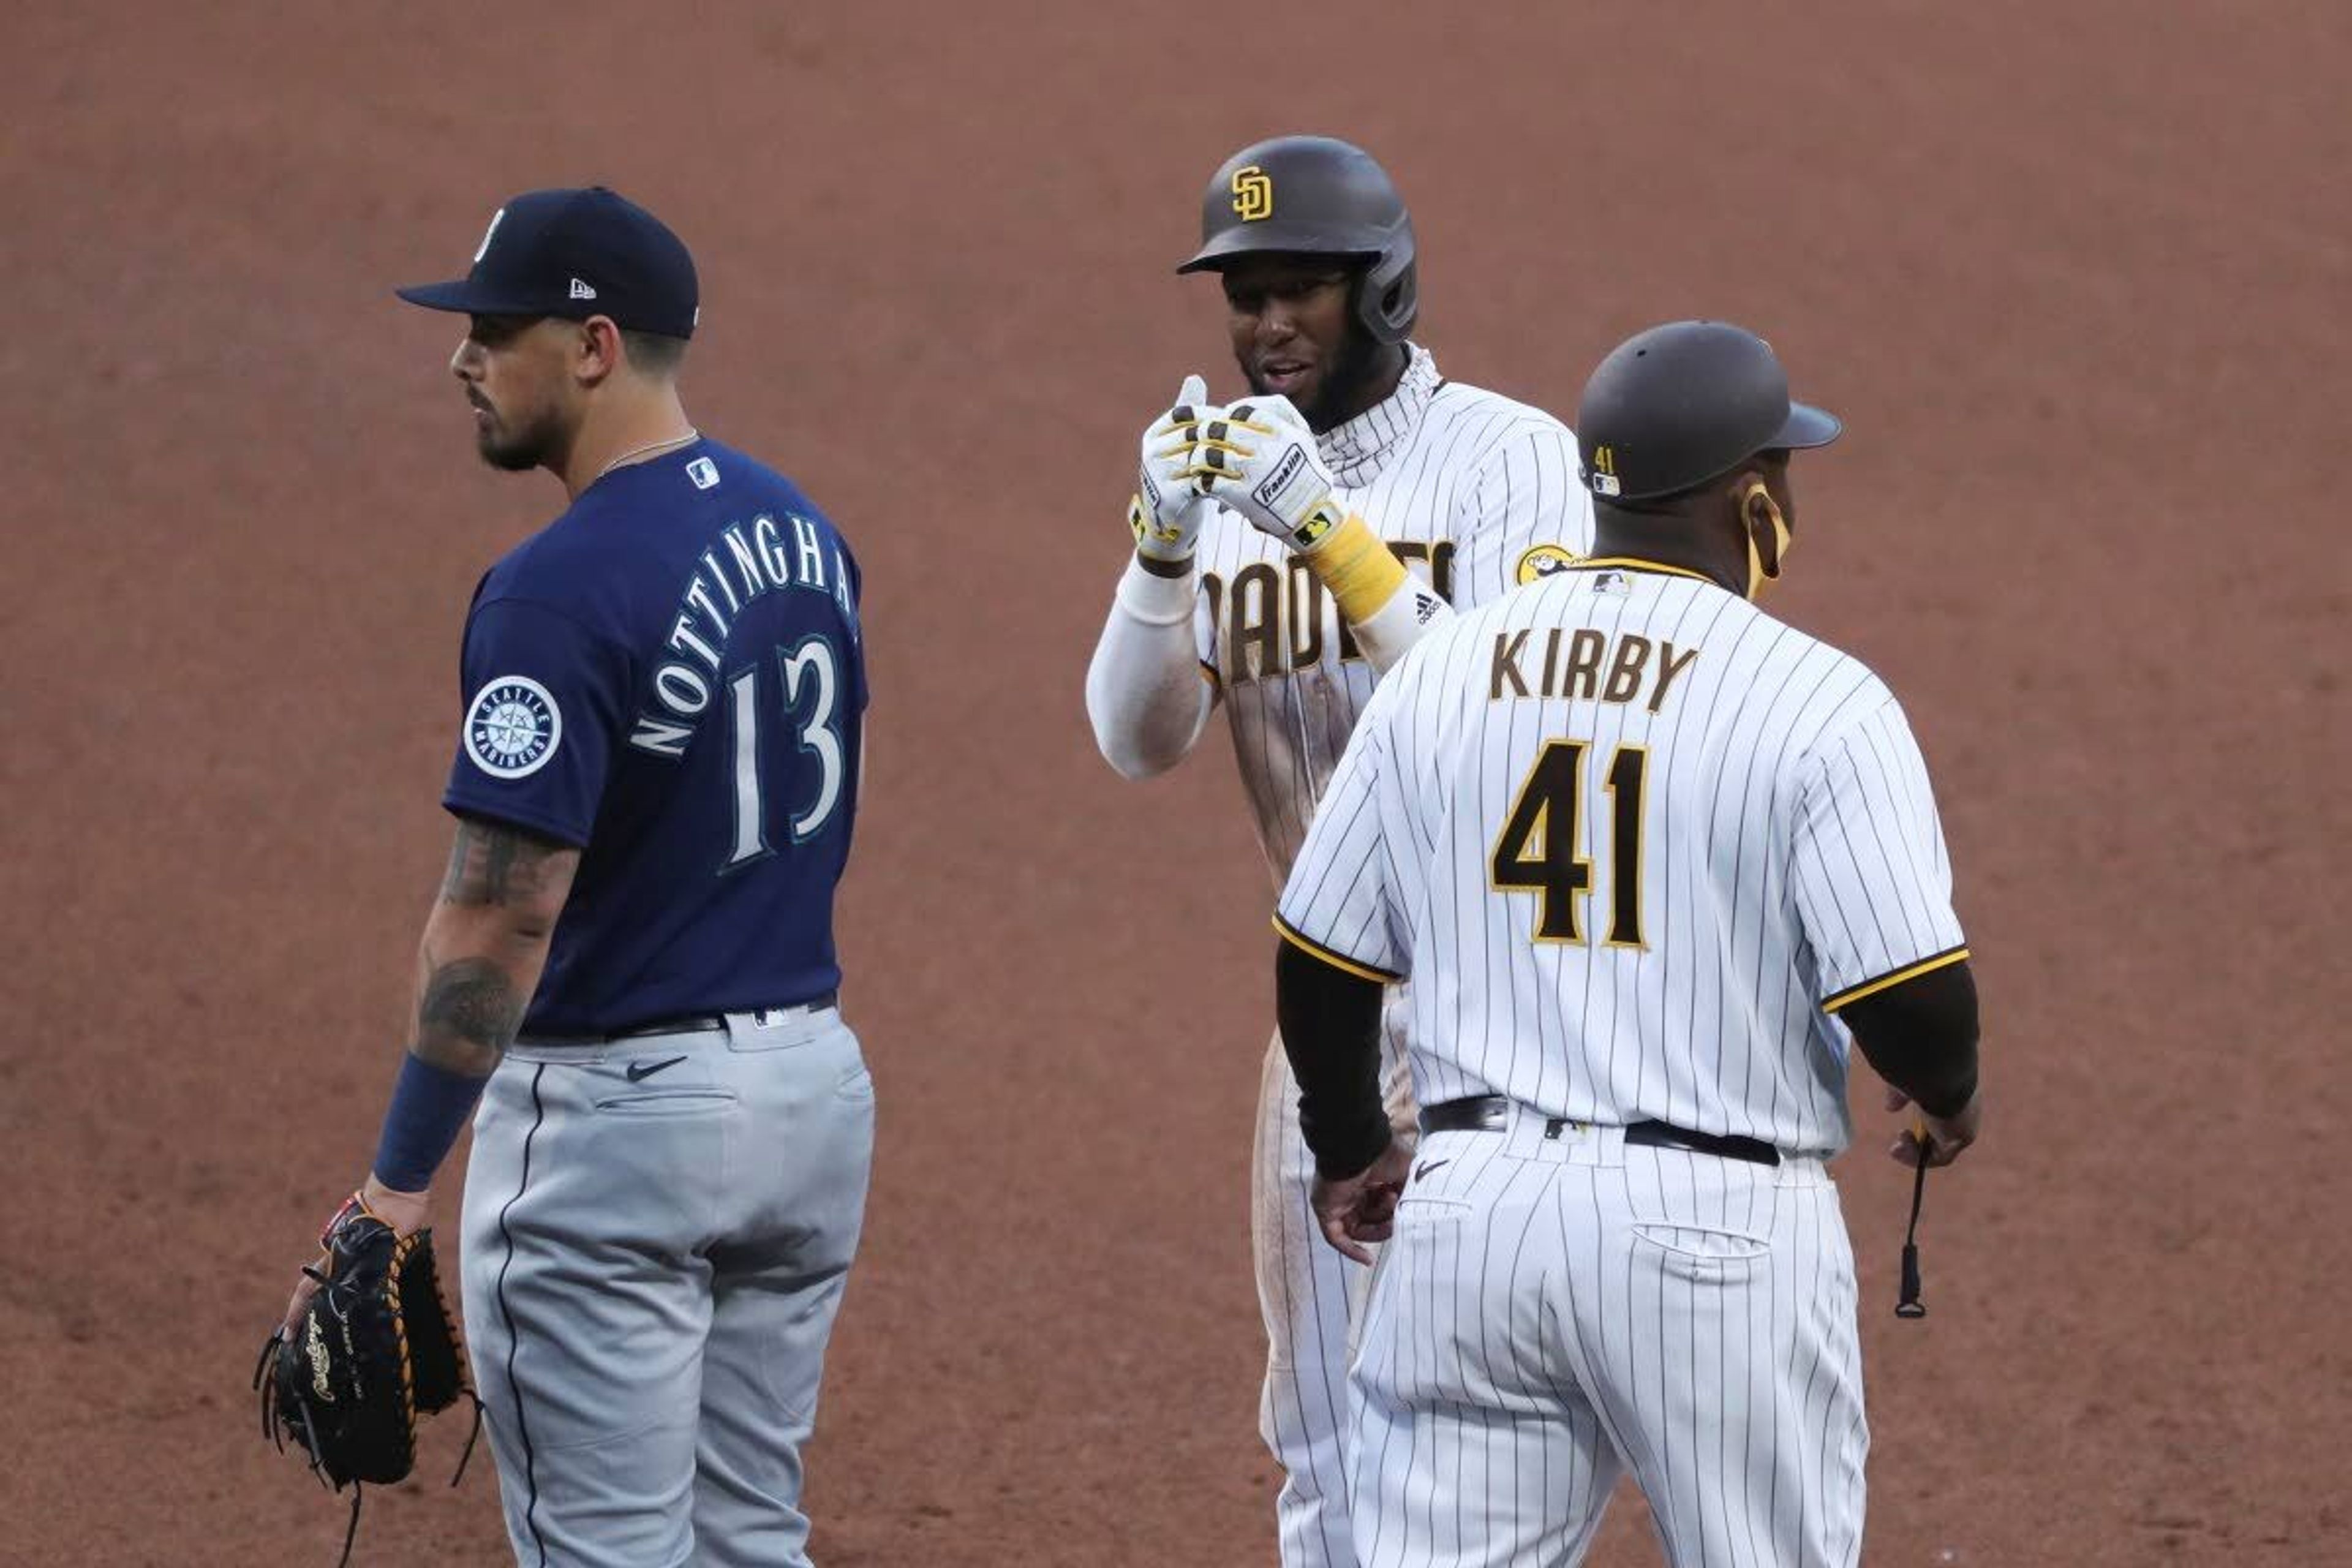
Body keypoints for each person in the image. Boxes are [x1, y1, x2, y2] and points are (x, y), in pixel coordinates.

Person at [1271, 320, 1985, 1566]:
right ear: (1752, 498)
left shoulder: (1445, 671)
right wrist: (1947, 1094)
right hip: (1712, 1234)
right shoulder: (1818, 699)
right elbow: (1916, 1001)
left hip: (1468, 1217)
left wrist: (1347, 1147)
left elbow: (1321, 963)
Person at [274, 186, 874, 1568]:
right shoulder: (807, 535)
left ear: (594, 347)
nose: (462, 360)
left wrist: (393, 1191)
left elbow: (505, 904)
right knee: (749, 1542)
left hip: (624, 1134)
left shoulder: (558, 585)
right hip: (810, 1097)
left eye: (496, 329)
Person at [1084, 134, 1594, 1566]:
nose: (1263, 326)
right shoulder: (1239, 480)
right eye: (1242, 295)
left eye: (1299, 288)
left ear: (1383, 289)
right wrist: (1163, 542)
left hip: (1501, 1015)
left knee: (1459, 1425)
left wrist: (1327, 533)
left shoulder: (1511, 462)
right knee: (1314, 1430)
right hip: (1325, 1018)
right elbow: (1137, 739)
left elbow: (1504, 743)